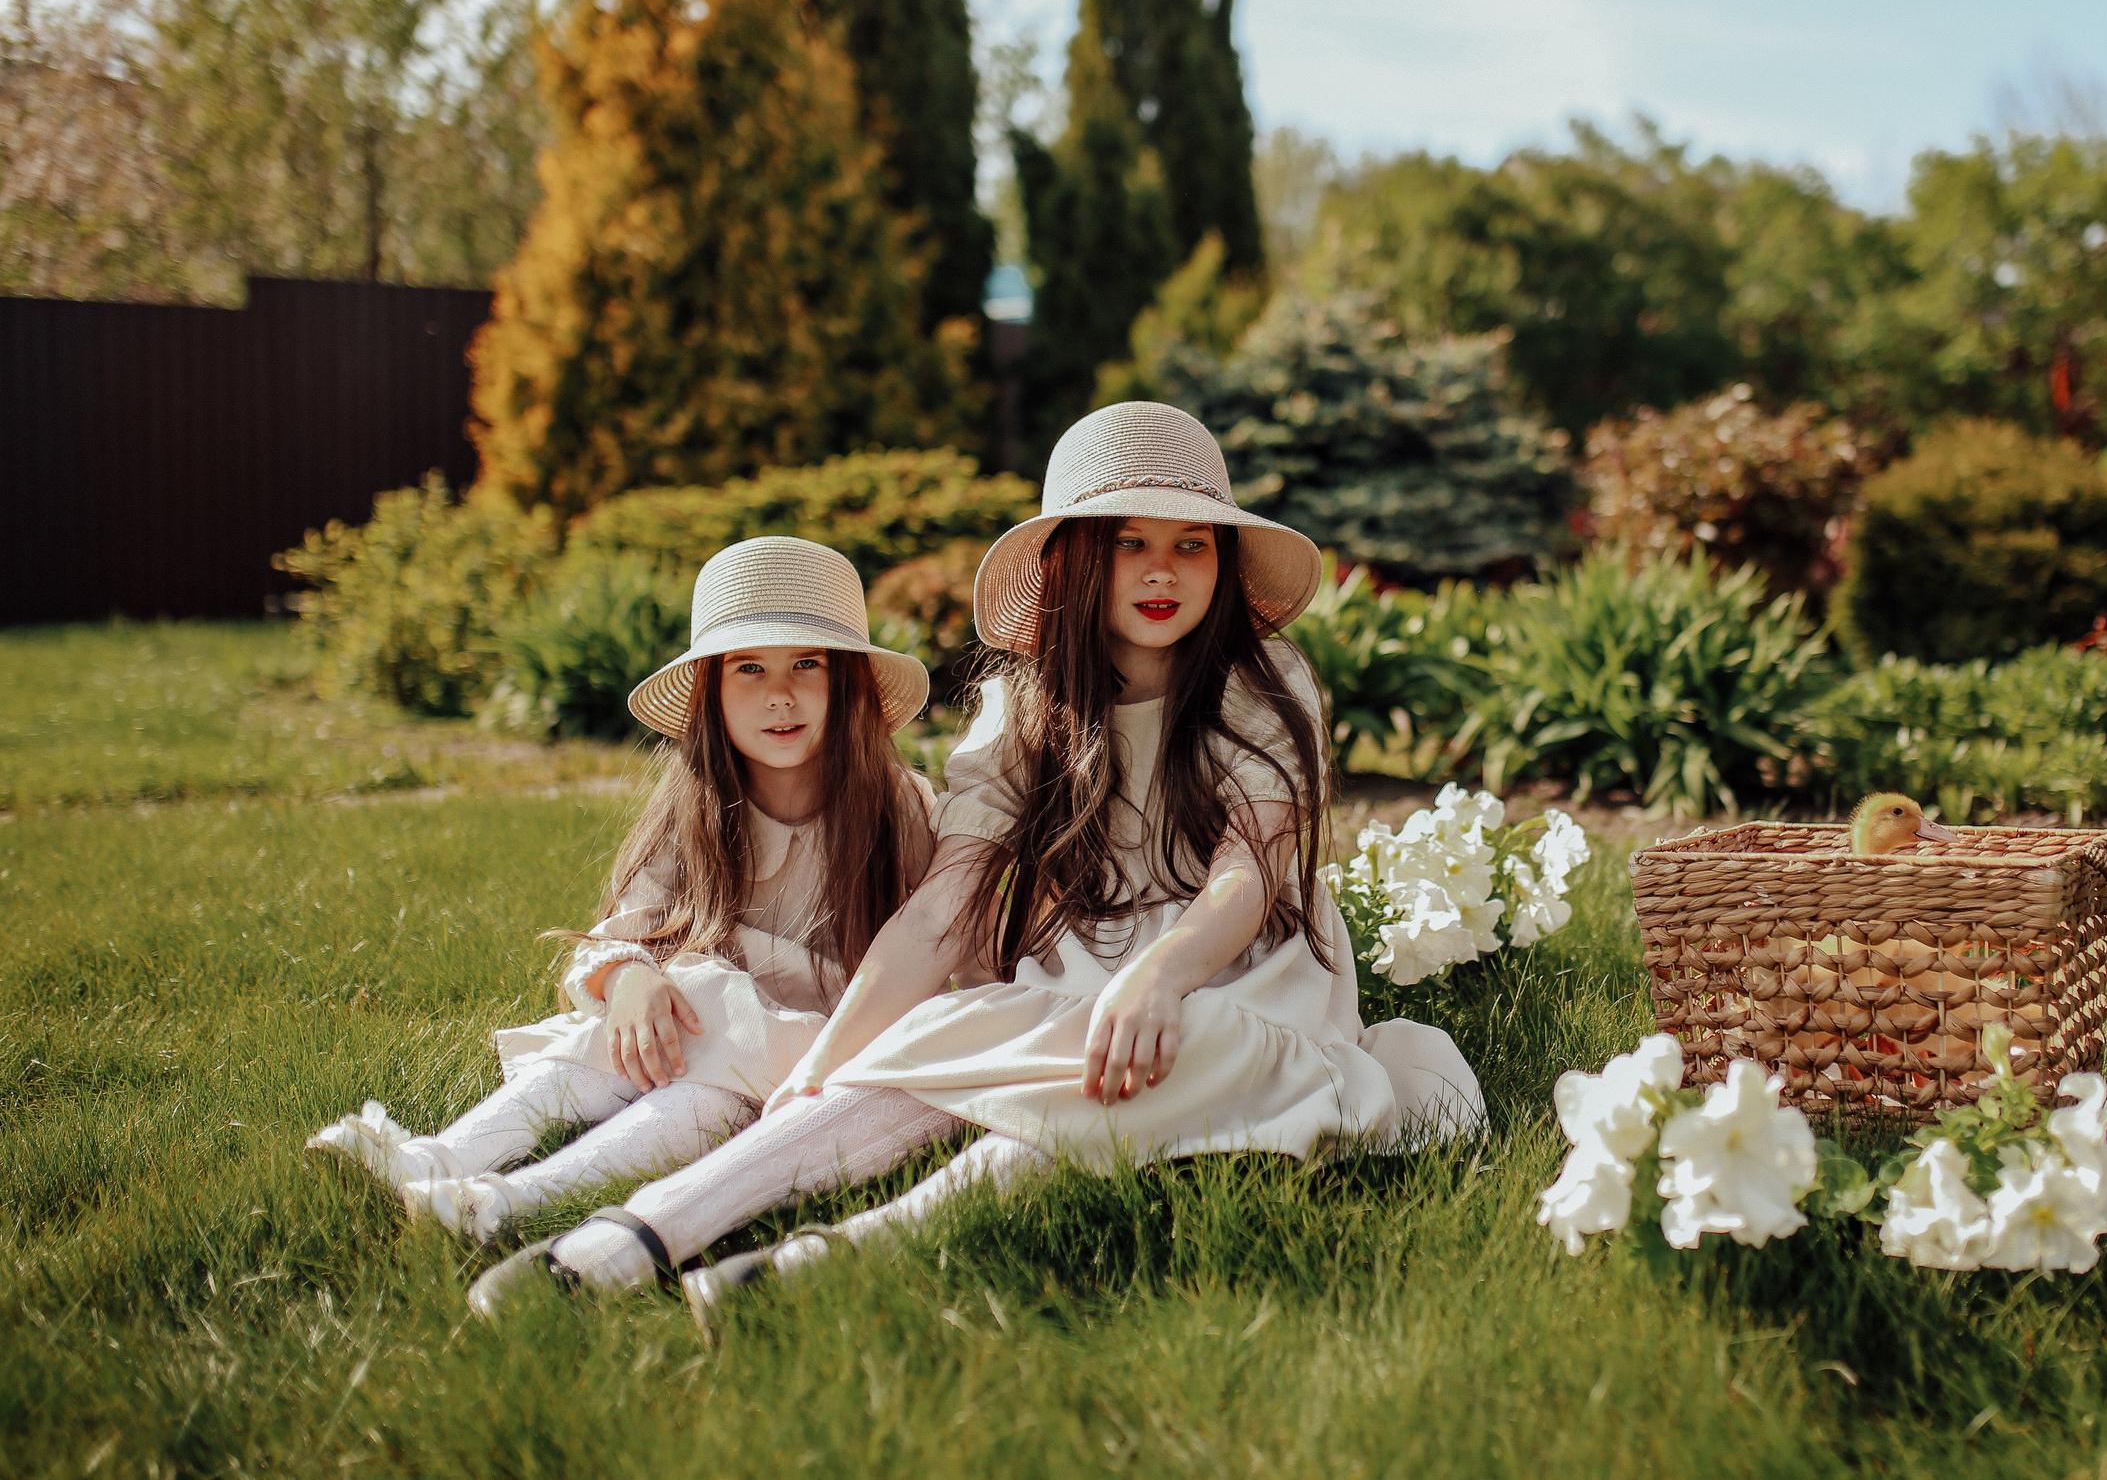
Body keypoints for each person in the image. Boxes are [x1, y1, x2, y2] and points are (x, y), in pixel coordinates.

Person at [473, 403, 1485, 1318]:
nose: (1162, 571)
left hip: (1240, 977)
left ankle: (812, 1267)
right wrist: (826, 1067)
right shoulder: (1022, 708)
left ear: (1223, 562)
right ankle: (637, 1232)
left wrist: (1162, 976)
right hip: (1080, 972)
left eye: (1191, 545)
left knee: (1104, 1085)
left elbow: (1247, 876)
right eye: (1127, 543)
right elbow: (942, 911)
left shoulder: (1261, 689)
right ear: (1070, 563)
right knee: (922, 1055)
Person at [308, 538, 936, 1243]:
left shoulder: (898, 807)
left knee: (698, 1092)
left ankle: (505, 1200)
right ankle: (434, 1156)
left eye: (808, 664)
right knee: (607, 1041)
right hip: (689, 1019)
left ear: (849, 680)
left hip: (800, 1044)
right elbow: (630, 926)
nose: (779, 693)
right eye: (749, 668)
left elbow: (933, 950)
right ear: (712, 690)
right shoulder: (695, 804)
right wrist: (632, 978)